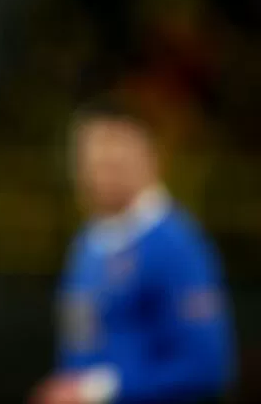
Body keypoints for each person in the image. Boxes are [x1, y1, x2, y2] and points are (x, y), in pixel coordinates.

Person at [32, 100, 235, 404]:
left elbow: (207, 367)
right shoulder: (87, 243)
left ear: (150, 158)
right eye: (91, 161)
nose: (100, 174)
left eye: (113, 161)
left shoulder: (176, 245)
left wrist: (96, 391)